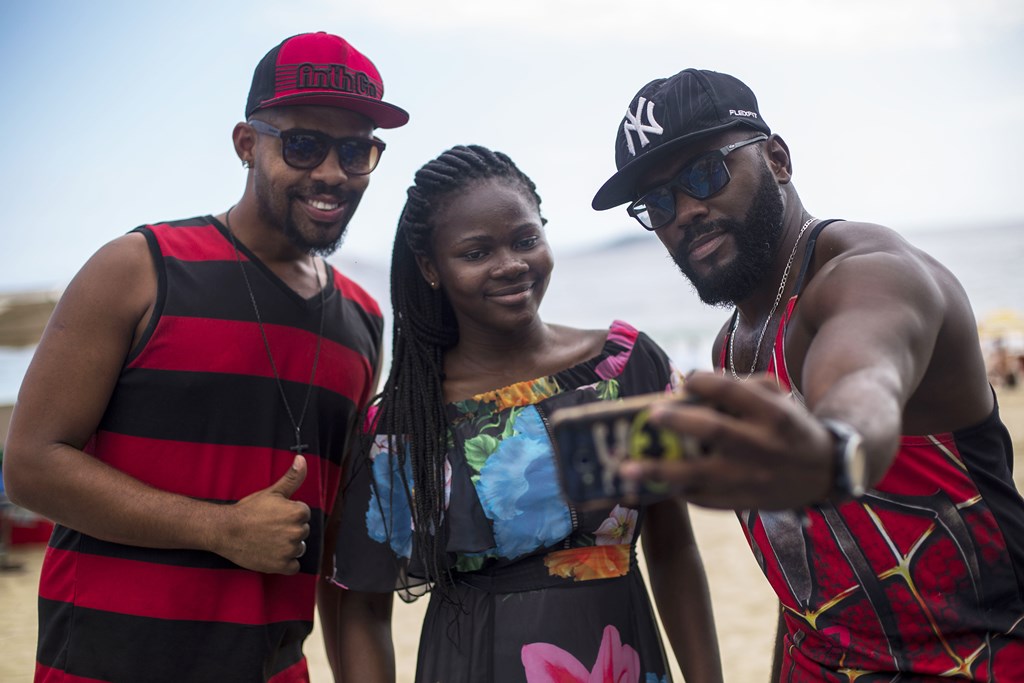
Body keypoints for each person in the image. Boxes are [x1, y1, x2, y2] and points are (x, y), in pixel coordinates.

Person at [590, 68, 1024, 682]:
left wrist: (832, 453)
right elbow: (806, 592)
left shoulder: (868, 274)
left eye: (704, 174)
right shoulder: (731, 349)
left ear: (777, 159)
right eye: (657, 203)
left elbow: (863, 383)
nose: (685, 211)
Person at [1, 31, 407, 682]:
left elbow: (337, 554)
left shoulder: (363, 320)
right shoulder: (138, 270)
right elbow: (29, 464)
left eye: (357, 150)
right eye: (303, 143)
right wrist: (219, 527)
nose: (332, 171)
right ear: (247, 144)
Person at [325, 144, 724, 683]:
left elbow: (673, 548)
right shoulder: (401, 427)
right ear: (431, 268)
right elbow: (365, 611)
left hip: (625, 660)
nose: (511, 265)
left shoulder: (626, 367)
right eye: (476, 253)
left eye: (525, 240)